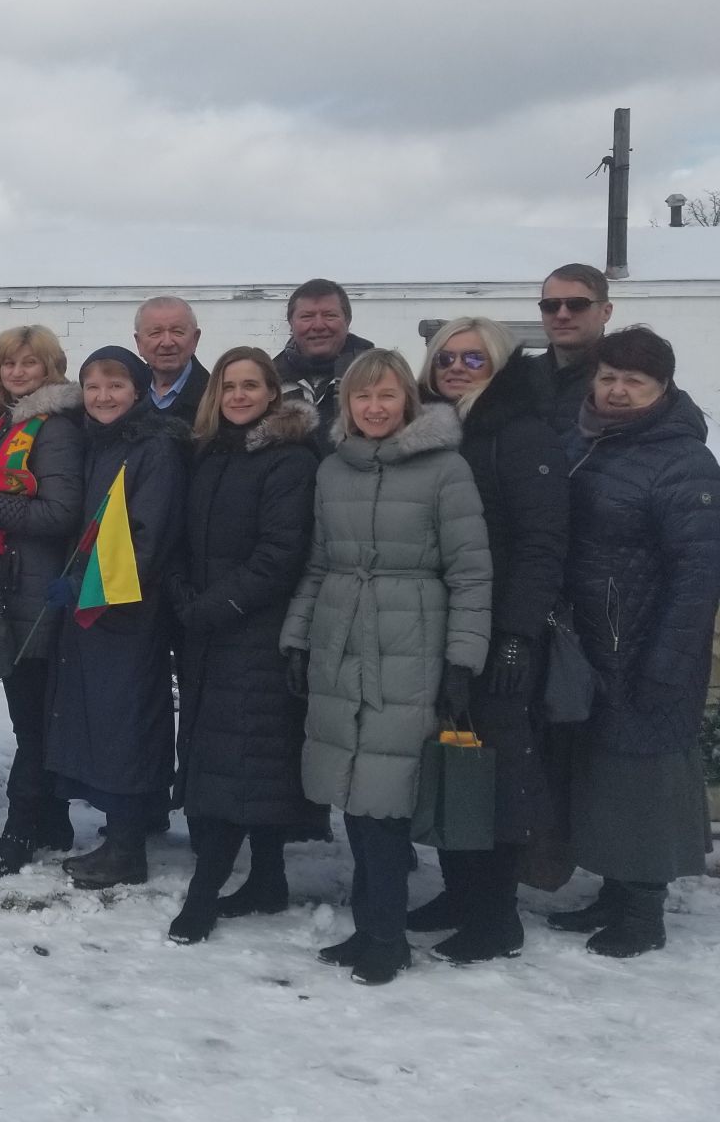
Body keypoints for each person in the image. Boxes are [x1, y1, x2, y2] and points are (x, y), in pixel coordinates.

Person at [281, 349, 492, 985]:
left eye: (386, 396)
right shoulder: (333, 469)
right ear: (346, 405)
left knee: (386, 798)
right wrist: (297, 638)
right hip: (341, 637)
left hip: (410, 643)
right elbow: (319, 562)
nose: (374, 408)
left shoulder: (446, 469)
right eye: (362, 397)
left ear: (408, 401)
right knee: (352, 791)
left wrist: (462, 661)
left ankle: (386, 935)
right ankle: (370, 926)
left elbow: (471, 572)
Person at [550, 327, 720, 957]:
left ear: (663, 387)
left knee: (643, 777)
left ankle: (644, 913)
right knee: (603, 772)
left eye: (634, 382)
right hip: (593, 640)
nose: (617, 391)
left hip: (645, 644)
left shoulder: (684, 461)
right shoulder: (583, 440)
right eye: (608, 377)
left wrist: (668, 664)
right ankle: (613, 892)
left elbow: (699, 575)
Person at [408, 318, 568, 961]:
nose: (456, 367)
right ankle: (460, 893)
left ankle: (497, 916)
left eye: (473, 358)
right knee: (452, 760)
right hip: (439, 625)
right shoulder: (435, 428)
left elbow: (542, 543)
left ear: (498, 365)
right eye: (446, 357)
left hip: (500, 628)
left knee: (495, 770)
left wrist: (516, 636)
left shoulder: (520, 433)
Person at [165, 347, 317, 943]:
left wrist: (213, 607)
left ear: (272, 393)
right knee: (239, 759)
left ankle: (203, 894)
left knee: (243, 763)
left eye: (251, 385)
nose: (238, 396)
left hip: (256, 631)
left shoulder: (290, 460)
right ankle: (268, 879)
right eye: (229, 386)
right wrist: (181, 590)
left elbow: (280, 554)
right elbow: (183, 534)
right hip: (206, 629)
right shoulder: (210, 453)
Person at [46, 347, 190, 890]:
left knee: (126, 722)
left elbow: (146, 537)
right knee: (103, 719)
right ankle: (132, 824)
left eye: (116, 385)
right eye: (93, 386)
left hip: (127, 605)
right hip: (92, 606)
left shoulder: (154, 447)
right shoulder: (96, 441)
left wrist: (88, 587)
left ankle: (127, 848)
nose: (103, 396)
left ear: (139, 390)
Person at [0, 325, 84, 878]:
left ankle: (20, 829)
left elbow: (58, 514)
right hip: (13, 583)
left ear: (50, 368)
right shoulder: (10, 422)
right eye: (9, 363)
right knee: (31, 713)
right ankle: (52, 821)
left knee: (32, 719)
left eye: (29, 363)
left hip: (38, 590)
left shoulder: (54, 429)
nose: (17, 372)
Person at [273, 279, 375, 456]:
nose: (318, 325)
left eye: (330, 315)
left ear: (347, 320)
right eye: (307, 317)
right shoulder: (269, 380)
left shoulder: (377, 375)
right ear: (291, 323)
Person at [535, 264, 613, 431]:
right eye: (550, 305)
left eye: (577, 304)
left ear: (606, 312)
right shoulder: (518, 378)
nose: (562, 315)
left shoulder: (628, 382)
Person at [134, 296, 209, 425]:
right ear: (138, 342)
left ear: (195, 339)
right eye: (155, 333)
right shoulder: (123, 397)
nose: (167, 343)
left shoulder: (216, 397)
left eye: (177, 332)